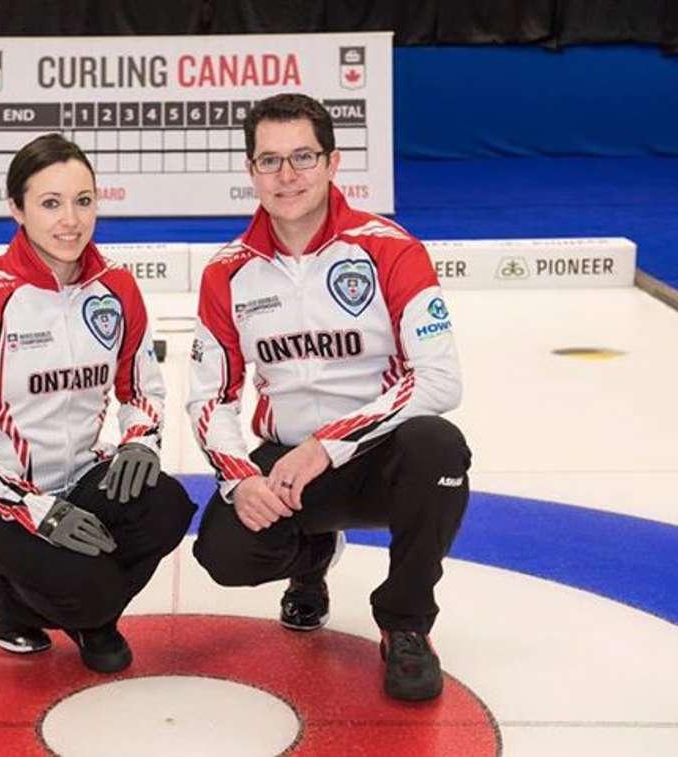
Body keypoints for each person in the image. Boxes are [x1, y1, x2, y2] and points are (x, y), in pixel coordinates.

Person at [187, 94, 471, 701]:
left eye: (302, 157)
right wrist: (241, 479)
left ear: (333, 162)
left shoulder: (392, 249)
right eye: (270, 161)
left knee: (439, 448)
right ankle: (309, 558)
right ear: (250, 171)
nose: (286, 176)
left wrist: (328, 445)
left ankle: (406, 622)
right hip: (285, 467)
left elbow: (440, 379)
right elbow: (209, 399)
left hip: (381, 458)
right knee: (225, 556)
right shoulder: (227, 272)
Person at [0, 133, 195, 674]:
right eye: (50, 203)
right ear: (16, 209)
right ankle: (18, 599)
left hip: (80, 481)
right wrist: (32, 510)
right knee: (90, 588)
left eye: (83, 200)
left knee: (168, 506)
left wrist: (141, 439)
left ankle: (85, 604)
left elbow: (140, 387)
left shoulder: (117, 286)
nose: (70, 220)